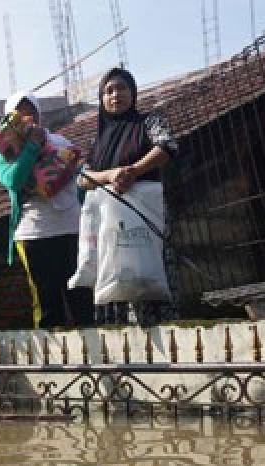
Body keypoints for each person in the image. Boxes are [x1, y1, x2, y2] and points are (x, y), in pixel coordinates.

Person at [79, 67, 179, 326]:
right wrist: (111, 175)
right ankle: (121, 358)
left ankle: (163, 347)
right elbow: (83, 178)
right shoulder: (98, 141)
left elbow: (167, 145)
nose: (116, 95)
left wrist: (134, 171)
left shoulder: (148, 122)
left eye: (122, 88)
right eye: (108, 91)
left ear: (133, 93)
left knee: (150, 277)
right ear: (101, 99)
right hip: (108, 225)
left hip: (145, 217)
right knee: (113, 279)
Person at [0, 91, 95, 330]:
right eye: (19, 112)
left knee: (81, 299)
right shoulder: (4, 154)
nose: (27, 117)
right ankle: (54, 365)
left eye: (31, 111)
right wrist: (30, 147)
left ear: (39, 114)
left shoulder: (63, 144)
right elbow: (14, 180)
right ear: (10, 119)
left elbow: (78, 187)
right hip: (34, 234)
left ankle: (96, 361)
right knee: (47, 305)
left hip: (71, 228)